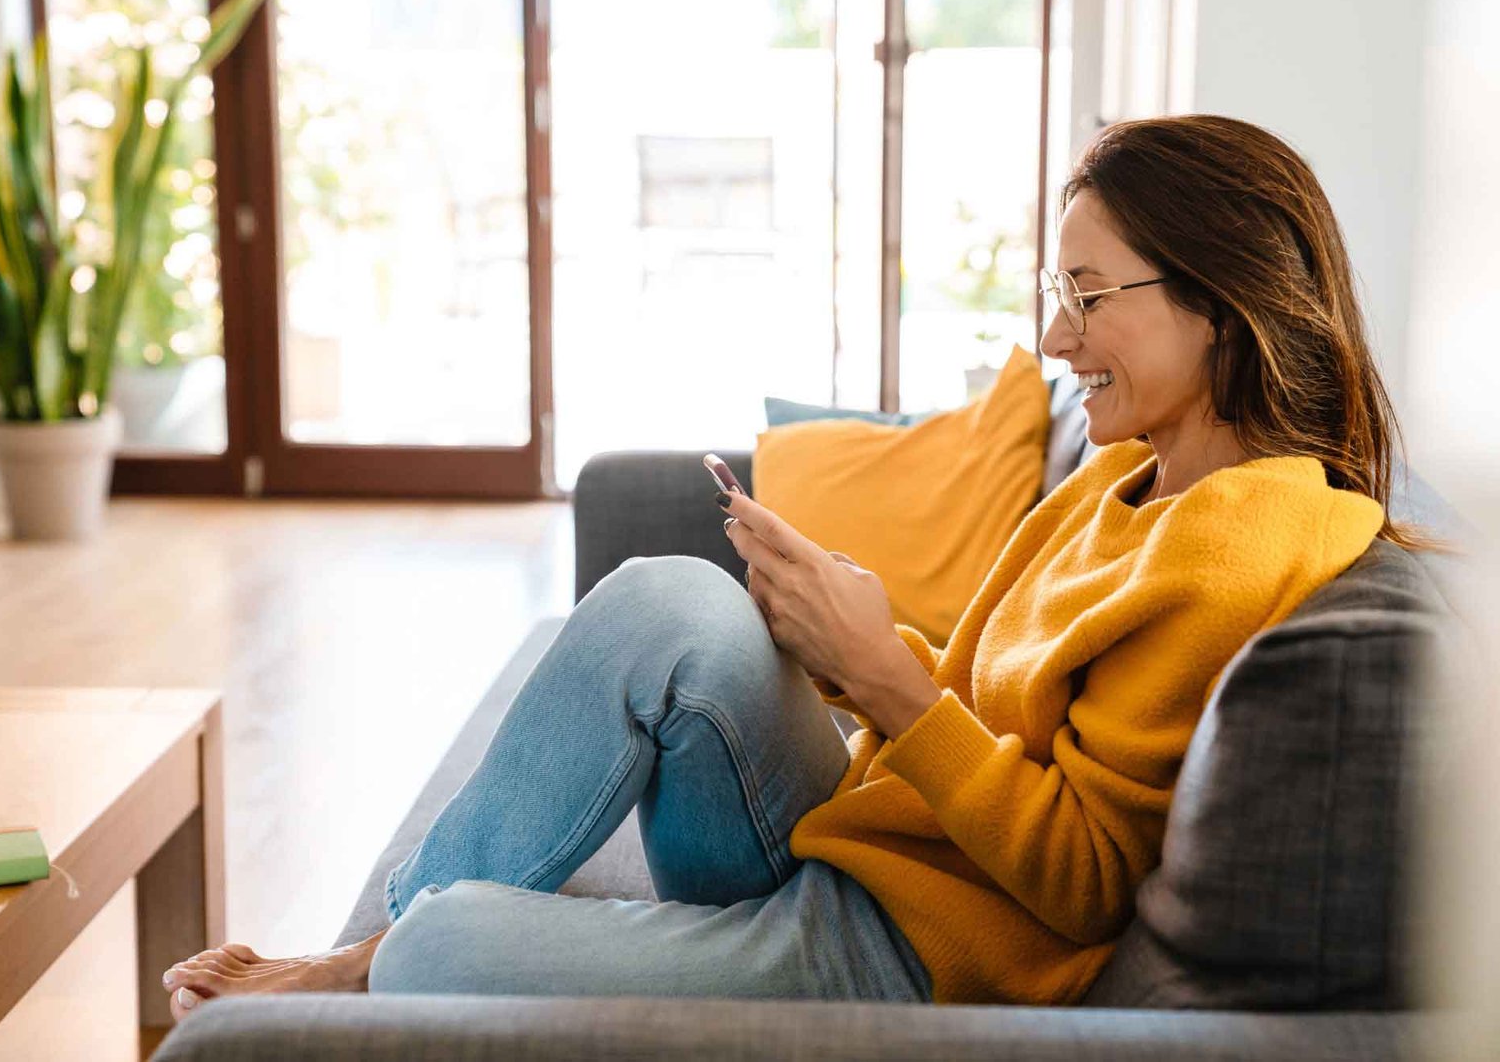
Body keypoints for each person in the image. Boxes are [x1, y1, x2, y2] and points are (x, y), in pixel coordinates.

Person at [159, 114, 1430, 1019]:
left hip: (918, 952)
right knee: (671, 597)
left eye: (1088, 296)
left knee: (444, 954)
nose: (1056, 334)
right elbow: (1000, 707)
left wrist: (880, 675)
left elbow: (1087, 877)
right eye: (1058, 289)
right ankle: (370, 944)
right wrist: (851, 636)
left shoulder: (1247, 534)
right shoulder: (1127, 474)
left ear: (1218, 302)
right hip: (883, 854)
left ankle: (382, 956)